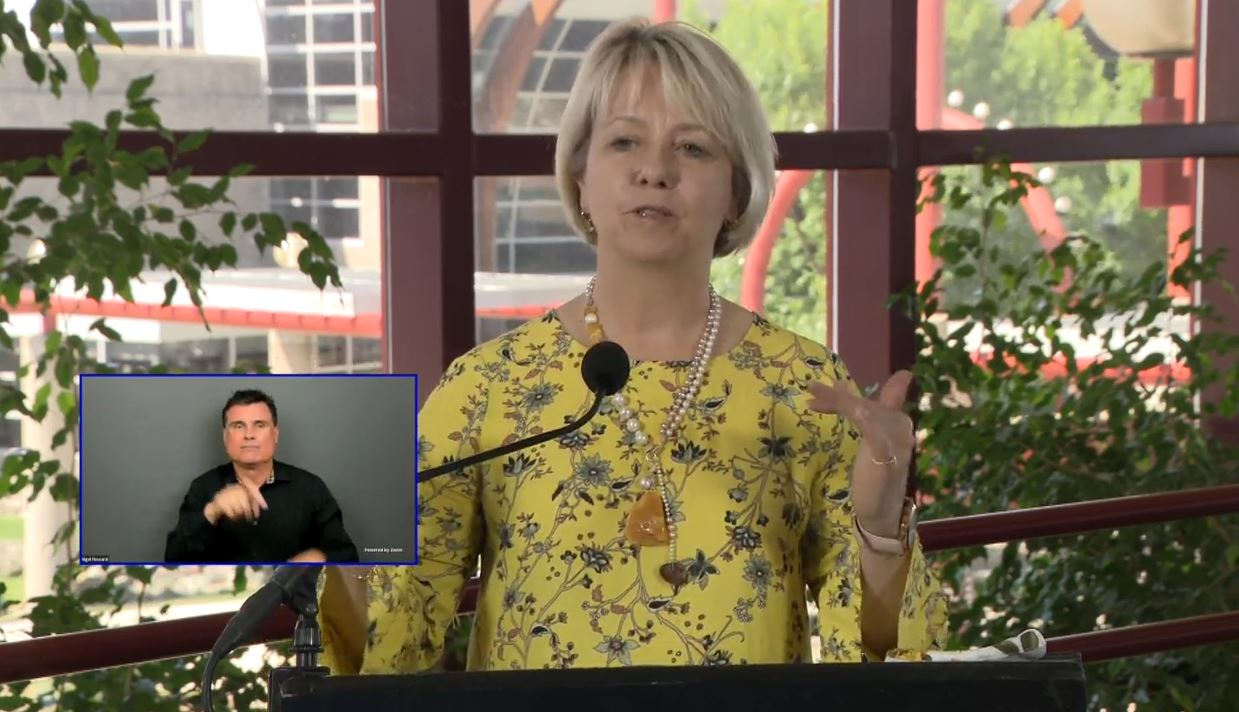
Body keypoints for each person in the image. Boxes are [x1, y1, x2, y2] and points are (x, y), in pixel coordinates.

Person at [317, 17, 947, 673]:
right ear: (580, 178)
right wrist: (348, 526)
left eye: (692, 148)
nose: (654, 171)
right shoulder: (488, 387)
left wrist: (879, 530)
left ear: (737, 193)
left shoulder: (805, 386)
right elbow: (387, 644)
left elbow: (880, 663)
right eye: (624, 142)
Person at [164, 389, 359, 564]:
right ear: (225, 437)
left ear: (275, 434)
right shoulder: (203, 488)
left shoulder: (310, 488)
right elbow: (173, 560)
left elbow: (348, 556)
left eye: (259, 425)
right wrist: (212, 512)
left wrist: (320, 559)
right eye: (238, 426)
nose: (249, 435)